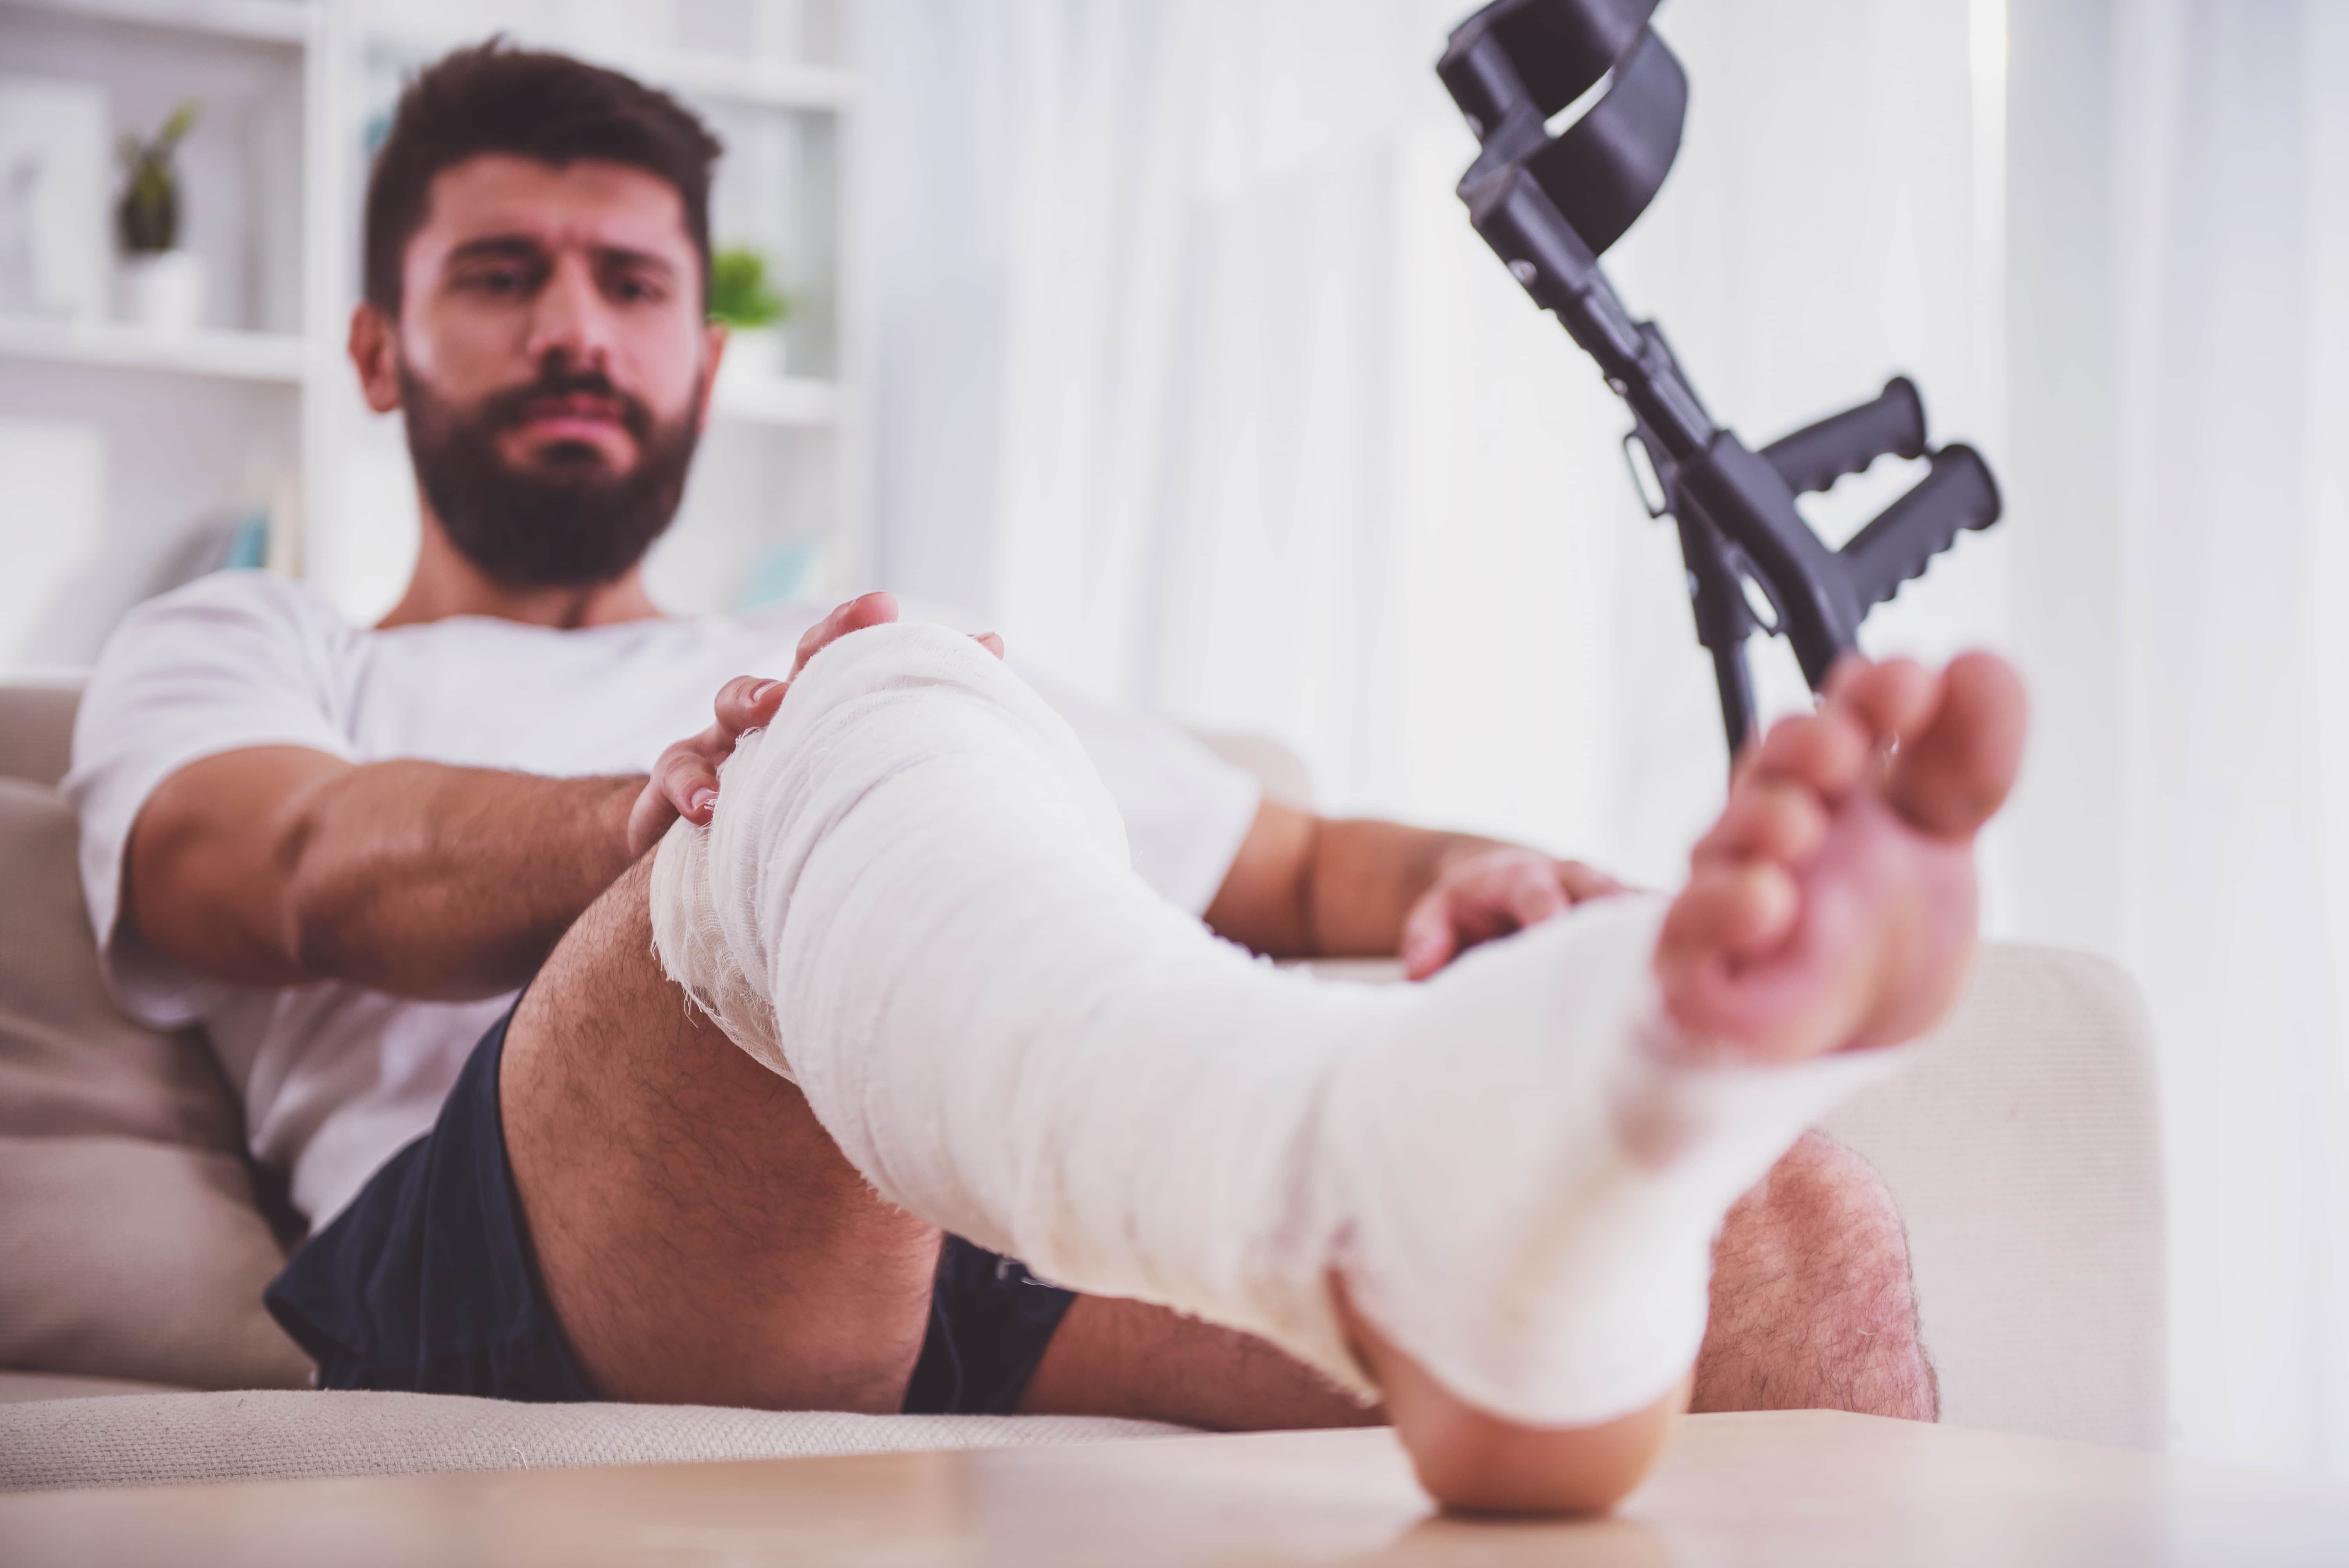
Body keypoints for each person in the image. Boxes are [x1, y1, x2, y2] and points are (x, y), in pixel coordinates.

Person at [64, 43, 1987, 1512]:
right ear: (379, 348)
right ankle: (1334, 1164)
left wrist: (1541, 909)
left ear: (706, 363)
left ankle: (1424, 1199)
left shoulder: (862, 660)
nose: (576, 325)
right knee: (856, 723)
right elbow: (287, 860)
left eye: (631, 284)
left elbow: (1307, 860)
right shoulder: (256, 640)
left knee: (1790, 1232)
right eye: (503, 275)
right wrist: (693, 813)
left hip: (979, 1216)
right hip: (542, 1238)